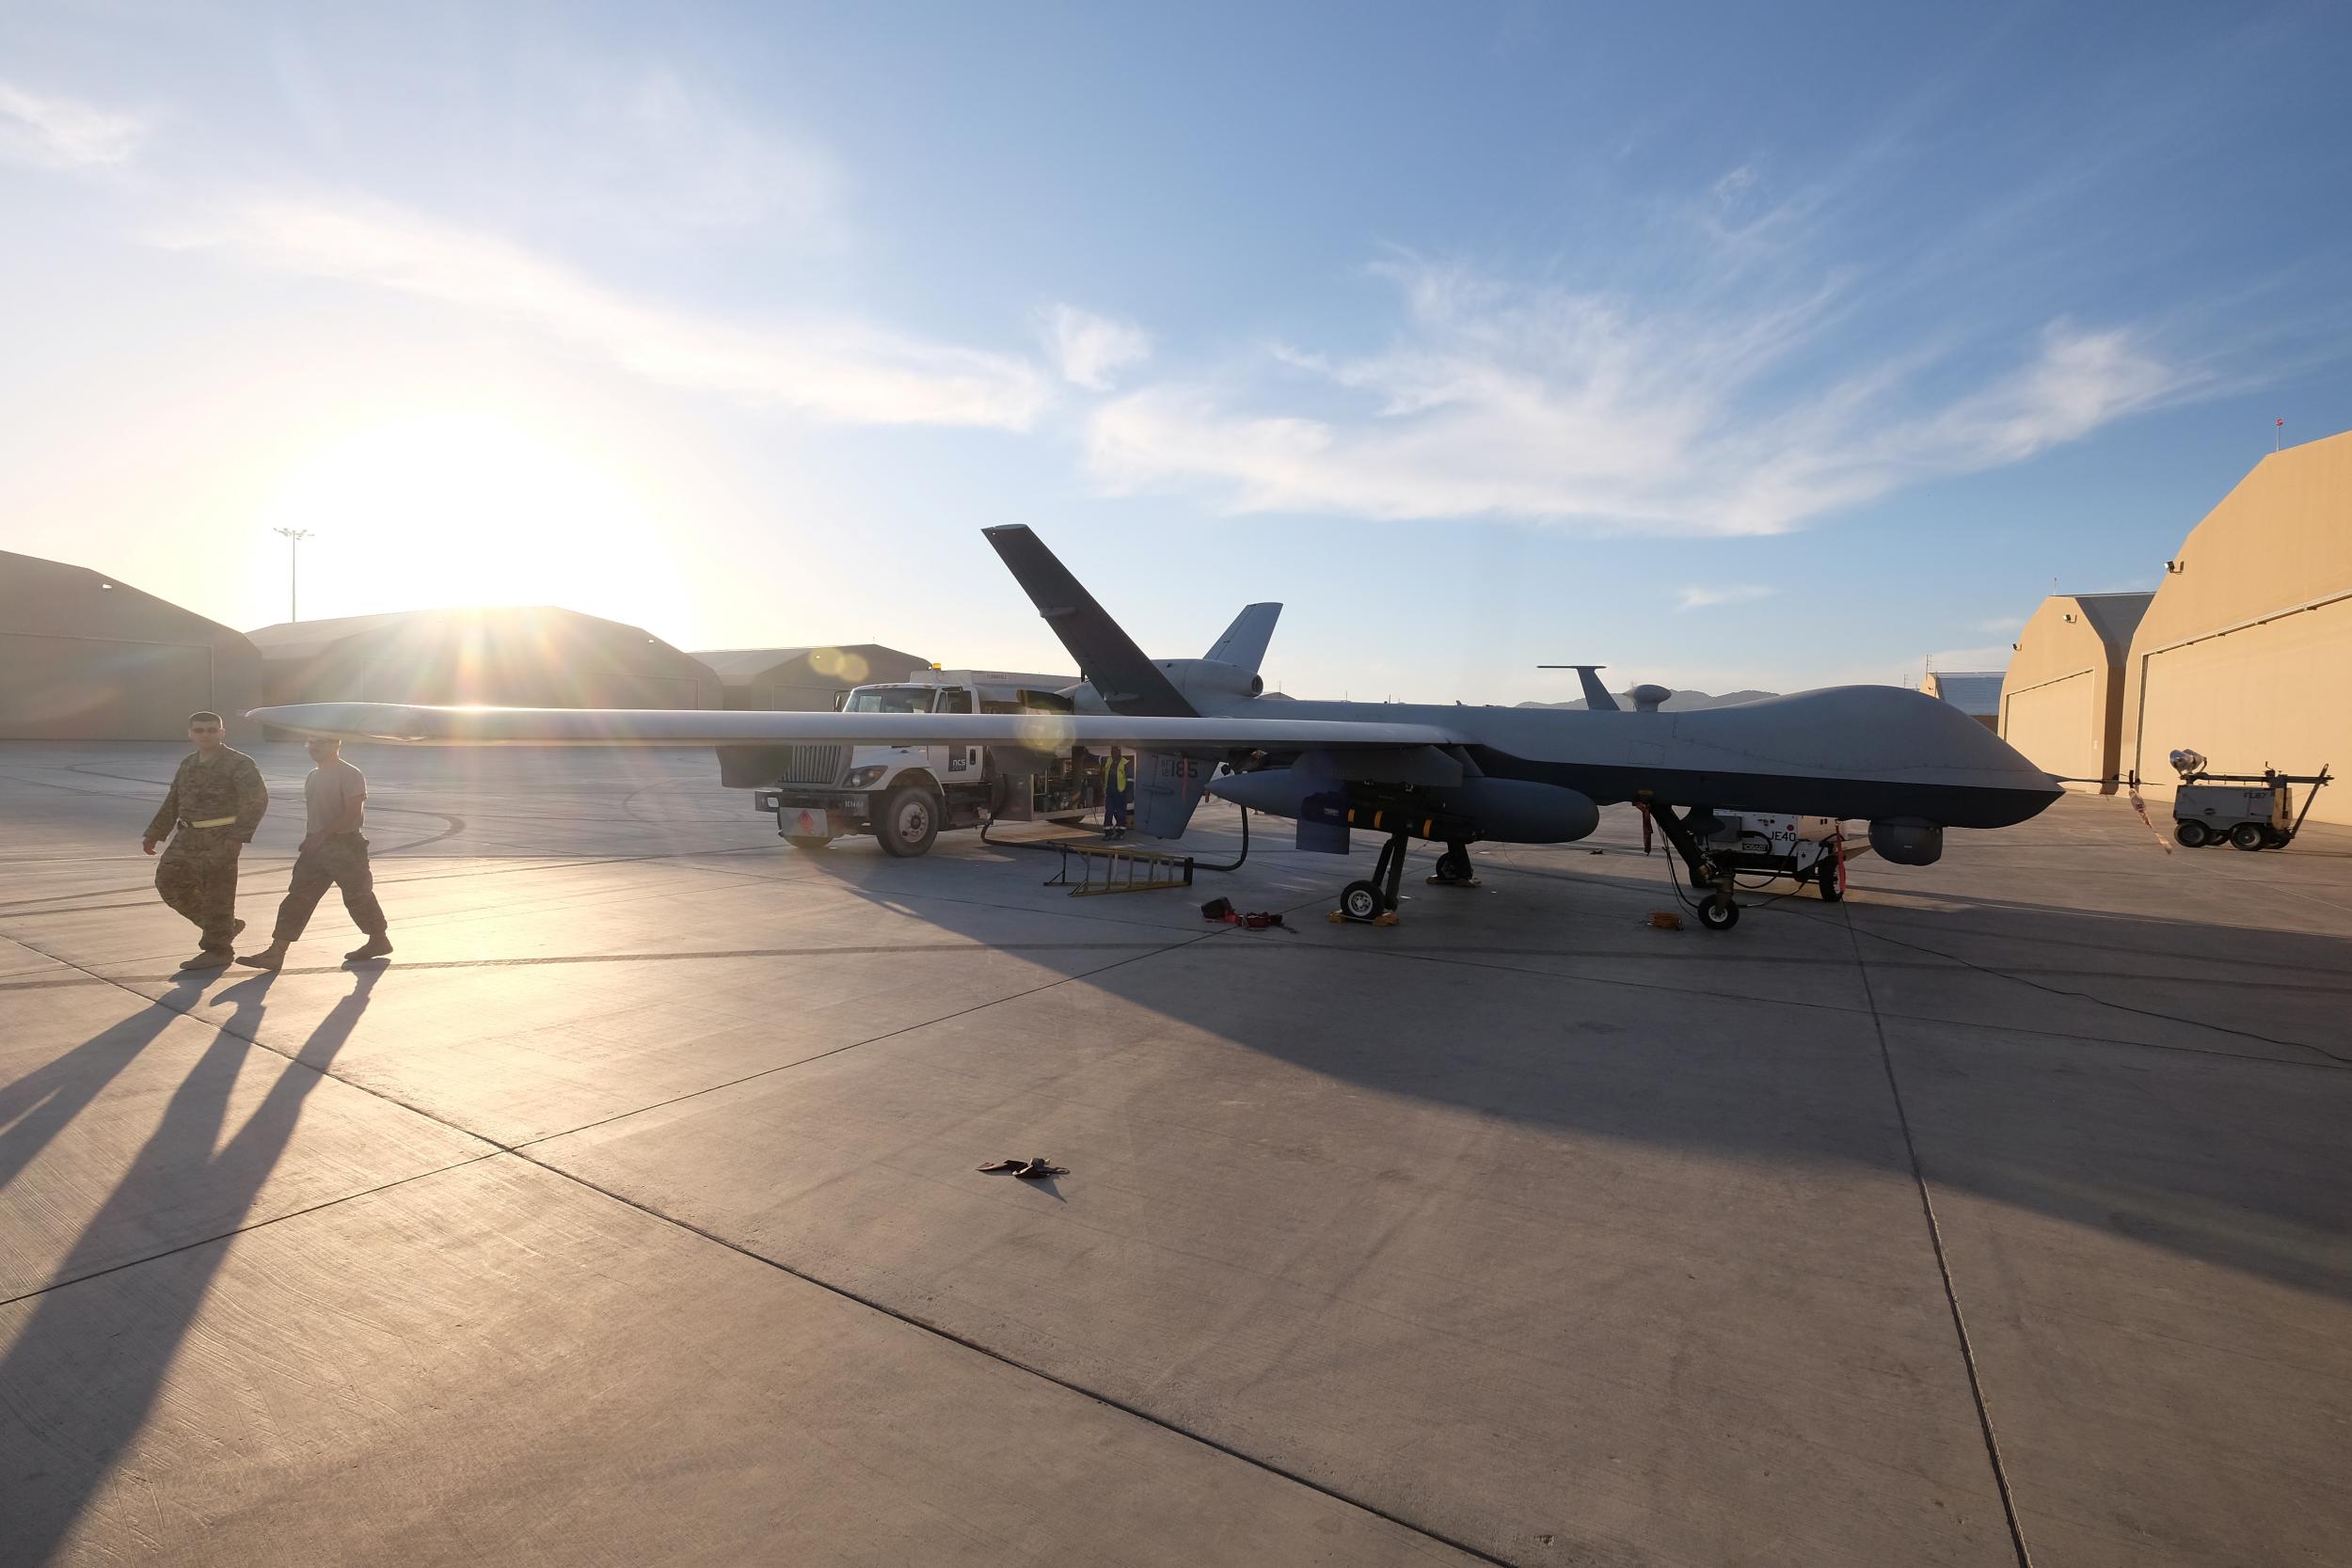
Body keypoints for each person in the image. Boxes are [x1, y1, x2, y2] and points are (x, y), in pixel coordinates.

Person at [239, 735, 392, 969]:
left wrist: (322, 835)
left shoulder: (350, 774)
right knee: (297, 898)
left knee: (358, 897)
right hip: (316, 848)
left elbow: (353, 812)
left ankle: (378, 940)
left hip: (346, 846)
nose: (316, 747)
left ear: (337, 745)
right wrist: (312, 837)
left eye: (323, 742)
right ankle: (276, 952)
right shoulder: (313, 775)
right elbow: (319, 813)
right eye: (312, 742)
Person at [144, 711, 268, 971]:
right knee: (168, 883)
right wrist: (156, 832)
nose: (205, 735)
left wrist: (238, 837)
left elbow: (256, 800)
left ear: (222, 732)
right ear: (190, 734)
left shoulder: (238, 763)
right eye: (199, 730)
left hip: (220, 837)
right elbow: (174, 799)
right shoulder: (189, 763)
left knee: (217, 895)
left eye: (212, 730)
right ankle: (224, 928)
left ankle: (218, 949)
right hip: (187, 835)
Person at [1103, 746, 1133, 840]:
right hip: (1110, 793)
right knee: (1109, 812)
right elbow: (1098, 759)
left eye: (1114, 752)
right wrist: (1087, 753)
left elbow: (1130, 780)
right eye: (1112, 752)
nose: (1112, 754)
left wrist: (1127, 793)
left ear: (1119, 752)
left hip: (1120, 793)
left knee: (1120, 814)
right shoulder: (1108, 760)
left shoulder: (1125, 763)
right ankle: (1108, 833)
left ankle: (1120, 833)